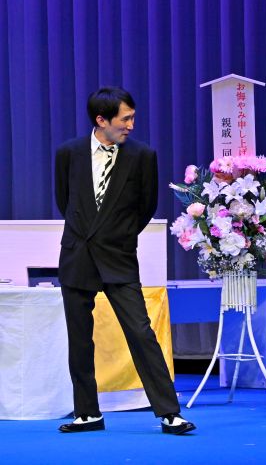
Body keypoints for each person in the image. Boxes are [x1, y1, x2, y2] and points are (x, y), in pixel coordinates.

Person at [55, 87, 194, 435]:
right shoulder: (68, 153)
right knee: (79, 339)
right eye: (125, 119)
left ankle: (169, 413)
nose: (131, 125)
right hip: (77, 255)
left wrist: (117, 235)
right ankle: (87, 413)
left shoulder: (142, 156)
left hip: (118, 256)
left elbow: (146, 206)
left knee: (141, 333)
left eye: (132, 118)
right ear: (101, 120)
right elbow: (64, 200)